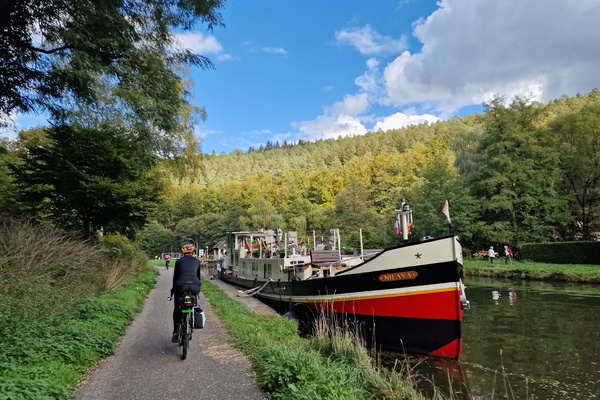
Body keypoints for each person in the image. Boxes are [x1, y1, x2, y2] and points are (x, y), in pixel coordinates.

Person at [170, 244, 201, 342]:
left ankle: (175, 331)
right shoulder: (197, 261)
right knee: (193, 302)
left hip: (181, 285)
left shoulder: (179, 262)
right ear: (193, 252)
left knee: (177, 307)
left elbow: (176, 277)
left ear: (182, 252)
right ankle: (191, 322)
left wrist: (173, 290)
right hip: (195, 286)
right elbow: (198, 276)